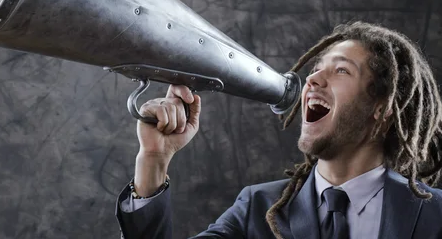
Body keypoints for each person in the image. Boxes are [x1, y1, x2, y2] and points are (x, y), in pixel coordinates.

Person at [114, 21, 442, 238]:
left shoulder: (435, 215)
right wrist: (154, 160)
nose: (312, 80)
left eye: (341, 70)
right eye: (316, 69)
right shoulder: (256, 208)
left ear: (381, 110)